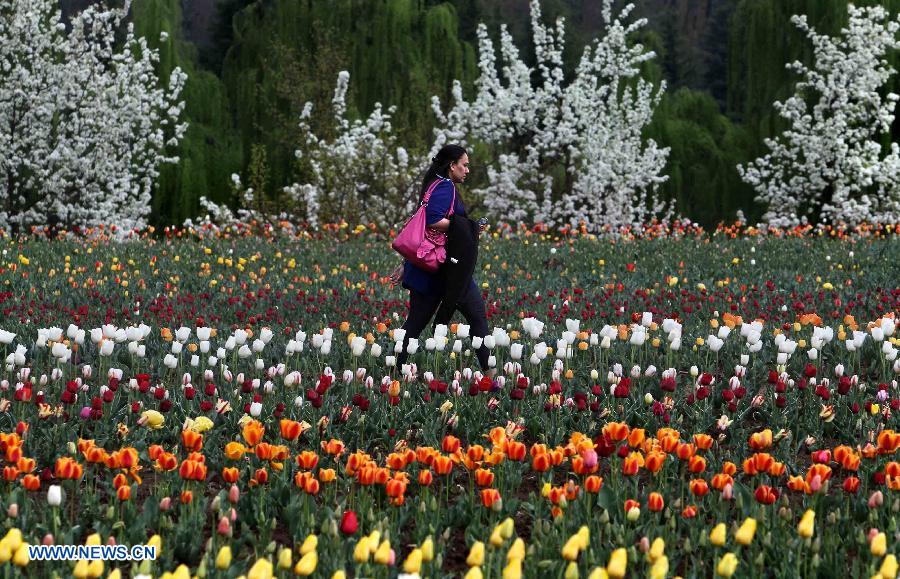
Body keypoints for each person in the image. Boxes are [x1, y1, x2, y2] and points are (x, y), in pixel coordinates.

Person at [389, 144, 493, 374]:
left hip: (432, 268)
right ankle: (491, 376)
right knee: (475, 317)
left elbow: (425, 231)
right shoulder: (445, 188)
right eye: (464, 165)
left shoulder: (434, 185)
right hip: (444, 270)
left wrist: (407, 263)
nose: (467, 170)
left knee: (416, 325)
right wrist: (470, 228)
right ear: (451, 166)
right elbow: (433, 221)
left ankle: (393, 370)